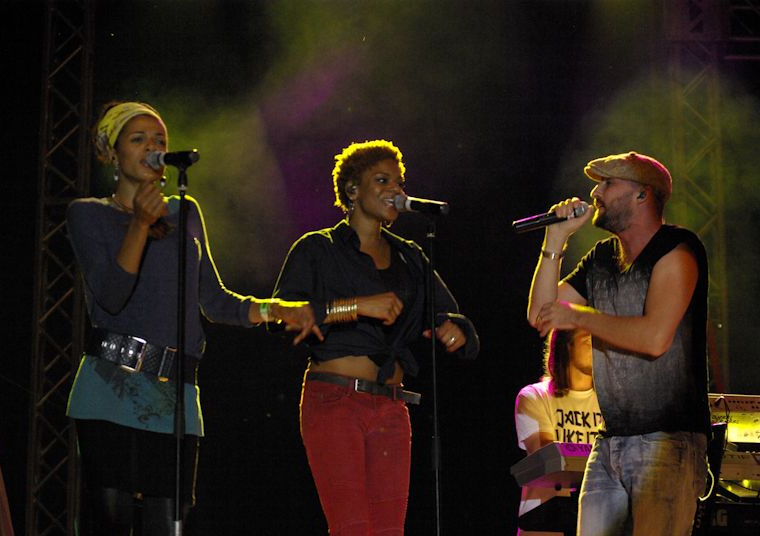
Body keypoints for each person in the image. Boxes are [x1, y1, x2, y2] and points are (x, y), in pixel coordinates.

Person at [66, 101, 322, 535]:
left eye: (160, 140)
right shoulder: (88, 213)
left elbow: (215, 301)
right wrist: (140, 224)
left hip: (175, 395)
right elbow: (111, 295)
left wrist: (275, 309)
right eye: (138, 139)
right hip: (111, 386)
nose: (153, 147)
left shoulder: (184, 212)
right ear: (111, 152)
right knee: (110, 521)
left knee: (171, 523)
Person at [272, 140, 479, 535]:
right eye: (382, 181)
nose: (396, 190)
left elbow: (452, 317)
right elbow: (282, 316)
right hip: (335, 401)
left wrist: (454, 329)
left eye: (399, 183)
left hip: (391, 407)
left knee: (388, 531)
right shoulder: (318, 249)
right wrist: (356, 306)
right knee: (352, 528)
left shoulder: (410, 256)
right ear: (352, 190)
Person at [526, 151, 710, 535]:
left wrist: (579, 317)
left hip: (667, 441)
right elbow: (540, 314)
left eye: (607, 184)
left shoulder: (678, 249)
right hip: (609, 442)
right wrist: (555, 238)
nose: (595, 193)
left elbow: (655, 338)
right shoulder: (601, 258)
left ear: (642, 194)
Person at [514, 328, 601, 536]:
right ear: (566, 346)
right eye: (588, 340)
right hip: (546, 525)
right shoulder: (534, 396)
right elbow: (549, 459)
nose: (598, 347)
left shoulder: (610, 402)